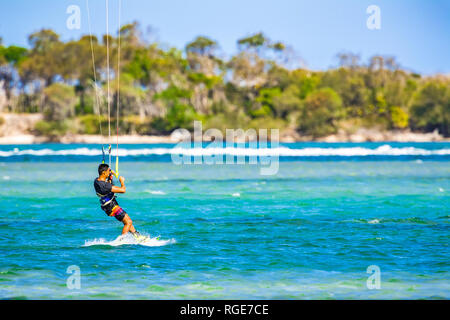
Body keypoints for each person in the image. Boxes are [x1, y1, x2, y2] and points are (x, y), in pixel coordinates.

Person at [94, 163, 147, 241]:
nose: (110, 172)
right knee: (128, 222)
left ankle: (137, 236)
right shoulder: (105, 186)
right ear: (104, 173)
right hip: (112, 206)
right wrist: (122, 182)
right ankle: (121, 240)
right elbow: (123, 190)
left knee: (126, 220)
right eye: (109, 171)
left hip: (107, 206)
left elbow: (106, 187)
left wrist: (109, 179)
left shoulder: (96, 181)